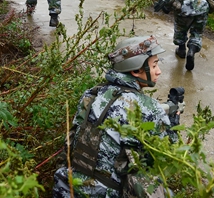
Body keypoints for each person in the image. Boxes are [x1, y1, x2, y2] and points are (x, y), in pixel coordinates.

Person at [52, 35, 176, 198]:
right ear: (136, 70)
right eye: (154, 65)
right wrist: (172, 126)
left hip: (68, 186)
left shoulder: (92, 94)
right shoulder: (149, 108)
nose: (159, 71)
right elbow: (167, 157)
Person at [153, 0, 210, 71]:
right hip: (203, 7)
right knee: (197, 32)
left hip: (184, 8)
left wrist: (166, 9)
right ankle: (192, 51)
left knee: (180, 28)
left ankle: (182, 50)